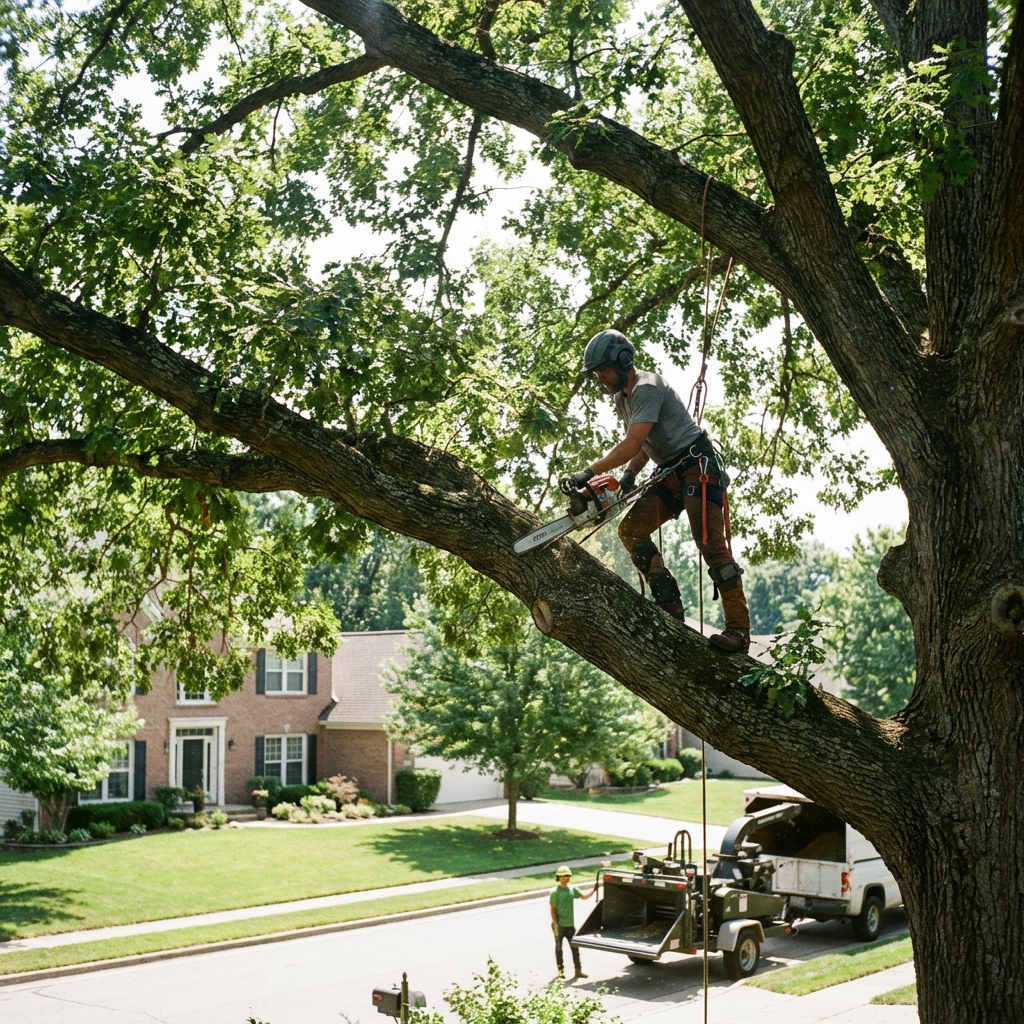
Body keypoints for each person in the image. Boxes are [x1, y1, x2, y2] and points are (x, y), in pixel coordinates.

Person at [559, 329, 751, 654]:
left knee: (710, 545)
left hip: (698, 468)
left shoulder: (647, 387)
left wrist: (589, 473)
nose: (600, 378)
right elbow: (644, 444)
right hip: (671, 473)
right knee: (631, 530)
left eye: (602, 370)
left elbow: (632, 442)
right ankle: (669, 604)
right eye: (596, 374)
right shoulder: (623, 397)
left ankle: (739, 631)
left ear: (622, 362)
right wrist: (630, 476)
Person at [550, 865, 595, 980]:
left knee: (575, 949)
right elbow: (553, 908)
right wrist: (555, 923)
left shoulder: (572, 889)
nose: (565, 878)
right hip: (559, 926)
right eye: (562, 876)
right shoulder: (555, 892)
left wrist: (594, 890)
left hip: (570, 926)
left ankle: (578, 971)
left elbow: (584, 897)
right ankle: (560, 972)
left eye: (567, 876)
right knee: (559, 949)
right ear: (558, 878)